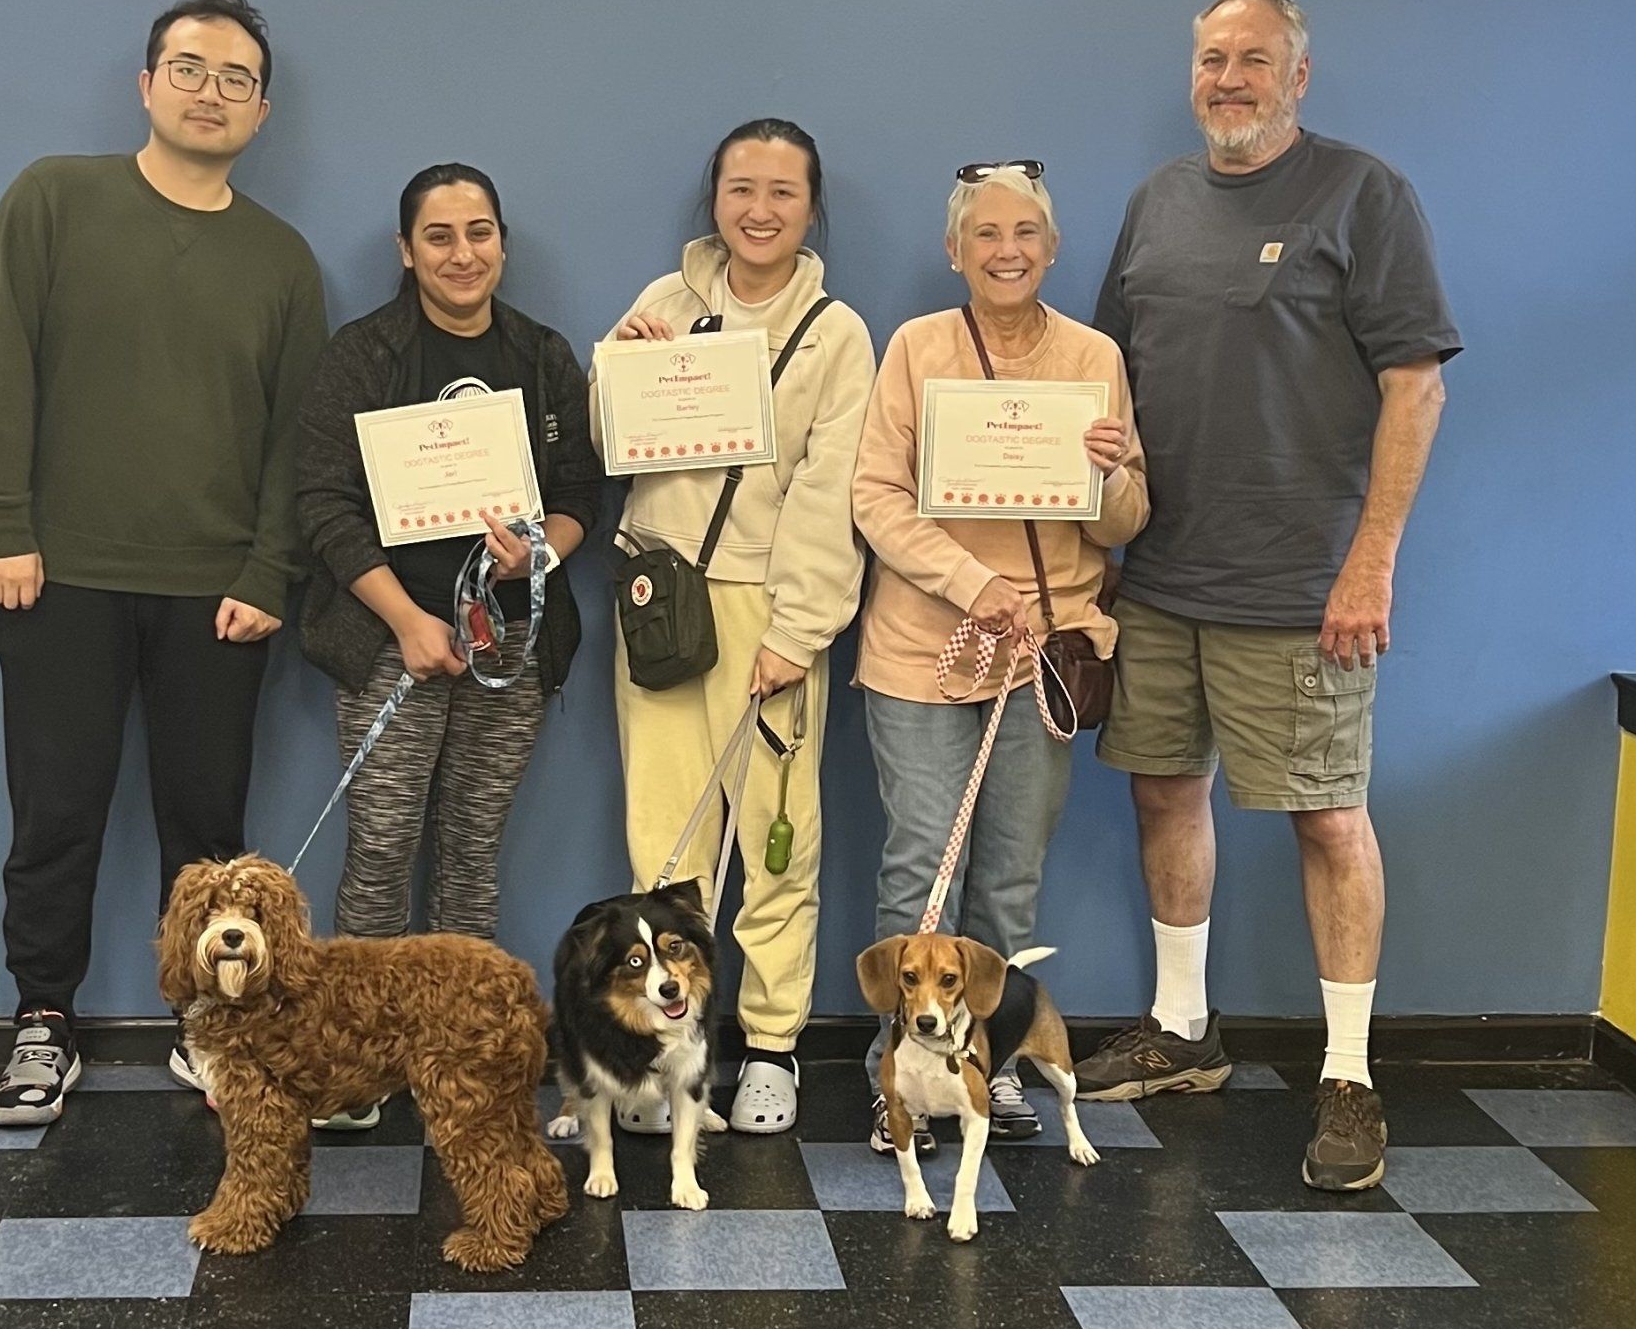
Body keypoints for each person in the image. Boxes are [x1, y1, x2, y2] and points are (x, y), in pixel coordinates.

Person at [1083, 0, 1461, 1191]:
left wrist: (1373, 558)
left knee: (1328, 818)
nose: (1228, 79)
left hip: (1304, 587)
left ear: (1299, 76)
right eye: (1210, 59)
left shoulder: (1363, 194)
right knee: (1160, 795)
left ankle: (1348, 1074)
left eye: (1254, 59)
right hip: (1158, 580)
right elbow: (1106, 381)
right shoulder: (1156, 205)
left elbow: (1417, 388)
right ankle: (1186, 1031)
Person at [0, 0, 328, 1127]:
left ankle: (208, 1027)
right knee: (57, 808)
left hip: (218, 593)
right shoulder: (53, 200)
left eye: (236, 78)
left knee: (208, 828)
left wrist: (273, 572)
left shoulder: (280, 260)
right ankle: (42, 1020)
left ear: (262, 111)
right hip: (55, 573)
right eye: (191, 67)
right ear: (147, 83)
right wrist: (2, 524)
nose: (210, 91)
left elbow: (297, 436)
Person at [295, 164, 602, 1126]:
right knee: (383, 849)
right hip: (396, 640)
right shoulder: (365, 354)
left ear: (502, 242)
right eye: (439, 236)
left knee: (472, 853)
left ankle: (459, 1053)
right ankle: (355, 1064)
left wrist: (535, 556)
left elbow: (582, 496)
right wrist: (407, 620)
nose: (462, 253)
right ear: (406, 251)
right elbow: (323, 505)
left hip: (509, 646)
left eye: (479, 232)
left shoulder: (544, 356)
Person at [853, 163, 1148, 1151]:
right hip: (922, 645)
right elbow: (875, 496)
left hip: (1042, 653)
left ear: (1053, 249)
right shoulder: (917, 348)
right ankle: (897, 1082)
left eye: (1026, 232)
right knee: (921, 873)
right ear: (955, 252)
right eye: (986, 234)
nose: (1007, 249)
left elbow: (1128, 519)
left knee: (1011, 877)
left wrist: (1110, 476)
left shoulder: (1094, 355)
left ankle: (986, 1062)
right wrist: (965, 581)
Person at [595, 119, 875, 1133]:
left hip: (772, 608)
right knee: (665, 843)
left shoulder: (837, 334)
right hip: (661, 601)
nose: (759, 210)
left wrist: (797, 630)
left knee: (775, 841)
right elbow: (611, 448)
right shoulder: (663, 305)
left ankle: (771, 1047)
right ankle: (667, 1048)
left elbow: (828, 493)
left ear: (810, 208)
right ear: (714, 198)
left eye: (782, 193)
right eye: (740, 189)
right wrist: (616, 373)